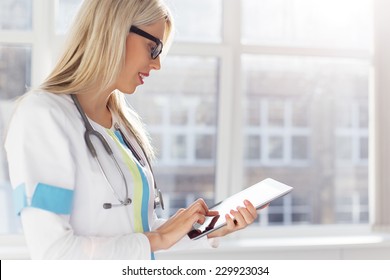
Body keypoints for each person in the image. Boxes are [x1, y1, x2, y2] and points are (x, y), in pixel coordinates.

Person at [4, 0, 258, 259]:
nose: (157, 64)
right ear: (115, 30)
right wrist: (157, 238)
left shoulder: (122, 125)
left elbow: (139, 233)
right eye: (153, 48)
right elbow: (54, 253)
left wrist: (209, 229)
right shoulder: (43, 116)